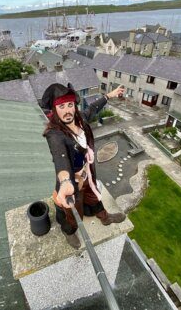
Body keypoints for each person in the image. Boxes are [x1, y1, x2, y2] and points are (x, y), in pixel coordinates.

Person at [42, 83, 126, 249]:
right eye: (61, 106)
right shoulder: (54, 134)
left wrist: (110, 95)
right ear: (54, 109)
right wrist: (66, 181)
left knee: (94, 196)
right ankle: (70, 231)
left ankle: (104, 217)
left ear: (74, 105)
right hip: (73, 181)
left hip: (87, 173)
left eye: (70, 105)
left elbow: (93, 108)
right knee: (73, 210)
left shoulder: (80, 120)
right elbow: (60, 157)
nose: (67, 110)